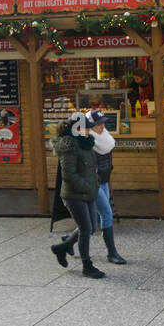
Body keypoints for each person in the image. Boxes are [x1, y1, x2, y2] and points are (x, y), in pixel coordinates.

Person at [49, 113, 105, 278]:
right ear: (77, 129)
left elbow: (89, 168)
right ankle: (87, 266)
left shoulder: (85, 144)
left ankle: (62, 247)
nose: (89, 131)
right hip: (74, 194)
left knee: (92, 226)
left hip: (88, 192)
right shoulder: (69, 147)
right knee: (86, 229)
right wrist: (87, 186)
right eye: (86, 128)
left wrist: (95, 181)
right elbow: (69, 175)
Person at [86, 109, 126, 265]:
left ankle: (67, 243)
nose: (102, 126)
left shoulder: (105, 138)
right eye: (98, 124)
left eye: (103, 123)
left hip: (104, 179)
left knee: (92, 219)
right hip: (94, 182)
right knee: (107, 214)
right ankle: (112, 253)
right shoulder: (88, 140)